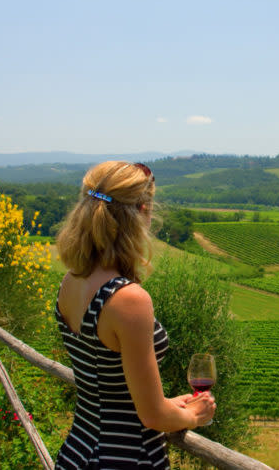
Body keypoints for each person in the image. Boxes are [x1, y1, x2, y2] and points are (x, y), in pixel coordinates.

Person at [53, 161, 215, 469]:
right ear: (141, 212)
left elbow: (110, 390)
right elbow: (151, 416)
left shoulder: (70, 282)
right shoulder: (128, 299)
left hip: (77, 452)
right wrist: (193, 415)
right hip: (125, 458)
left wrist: (171, 405)